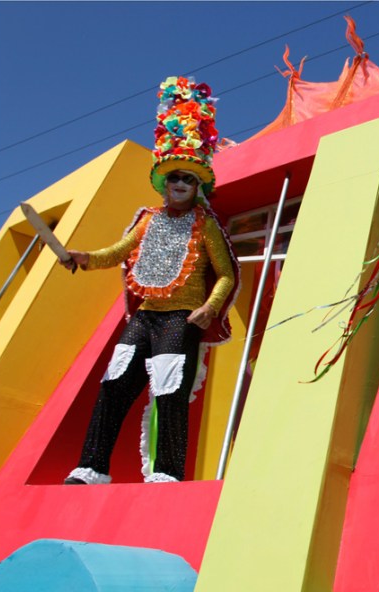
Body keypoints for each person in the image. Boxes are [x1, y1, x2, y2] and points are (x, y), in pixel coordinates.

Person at [62, 76, 239, 485]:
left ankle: (167, 472)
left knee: (170, 390)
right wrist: (83, 259)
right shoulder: (146, 219)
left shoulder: (204, 222)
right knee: (114, 383)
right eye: (174, 176)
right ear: (165, 181)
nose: (180, 183)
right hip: (144, 318)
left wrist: (208, 309)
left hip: (181, 318)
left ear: (199, 185)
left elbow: (227, 273)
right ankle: (91, 467)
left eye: (188, 179)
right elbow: (117, 253)